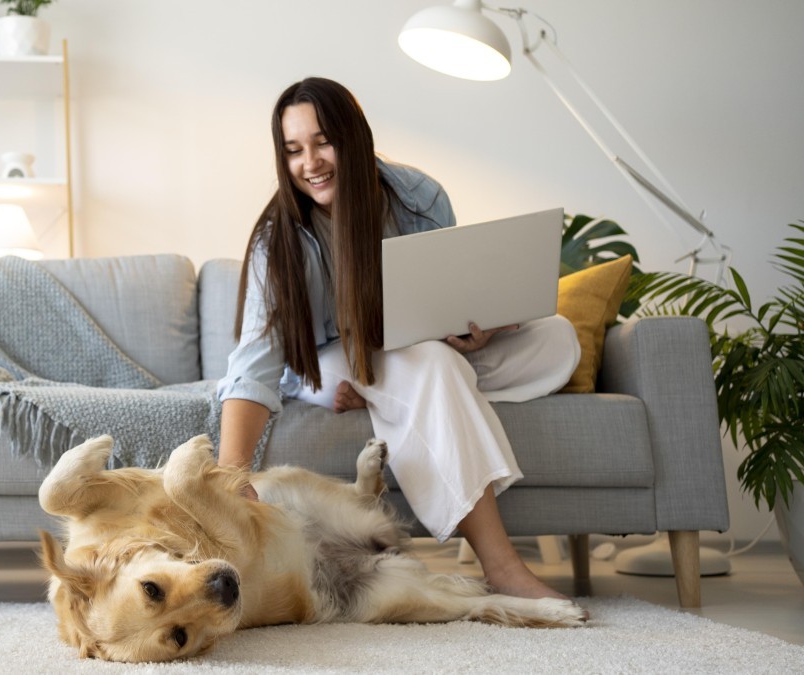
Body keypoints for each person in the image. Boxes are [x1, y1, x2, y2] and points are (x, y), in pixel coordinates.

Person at [216, 77, 582, 601]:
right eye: (293, 150)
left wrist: (470, 333)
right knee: (432, 365)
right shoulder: (279, 243)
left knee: (558, 340)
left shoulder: (419, 198)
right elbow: (252, 367)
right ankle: (501, 565)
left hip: (417, 348)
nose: (310, 163)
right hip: (334, 363)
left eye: (323, 142)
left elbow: (450, 295)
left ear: (355, 136)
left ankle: (414, 396)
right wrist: (232, 475)